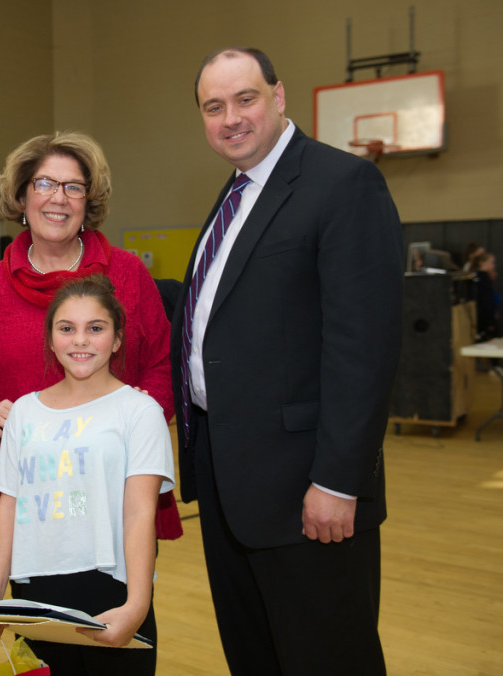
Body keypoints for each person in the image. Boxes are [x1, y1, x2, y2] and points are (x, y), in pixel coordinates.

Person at [170, 47, 402, 675]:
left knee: (328, 657)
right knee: (257, 655)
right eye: (213, 107)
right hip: (229, 478)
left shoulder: (342, 183)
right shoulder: (234, 195)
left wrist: (337, 480)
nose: (230, 118)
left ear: (278, 96)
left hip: (308, 489)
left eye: (245, 99)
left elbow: (365, 348)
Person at [0, 131, 181, 541]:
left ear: (87, 202)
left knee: (121, 603)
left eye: (73, 187)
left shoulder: (127, 273)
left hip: (114, 484)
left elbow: (162, 365)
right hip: (29, 491)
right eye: (44, 183)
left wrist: (144, 418)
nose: (58, 198)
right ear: (22, 197)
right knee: (38, 603)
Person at [0, 276, 174, 674]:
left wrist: (137, 605)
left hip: (111, 594)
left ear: (117, 339)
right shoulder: (25, 413)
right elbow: (10, 508)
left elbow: (139, 513)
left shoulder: (139, 411)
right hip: (34, 595)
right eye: (67, 328)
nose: (80, 340)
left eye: (95, 328)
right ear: (50, 339)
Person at [472, 251, 500, 341]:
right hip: (484, 319)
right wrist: (490, 321)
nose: (493, 265)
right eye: (491, 262)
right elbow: (486, 301)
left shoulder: (483, 277)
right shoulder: (482, 279)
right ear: (482, 263)